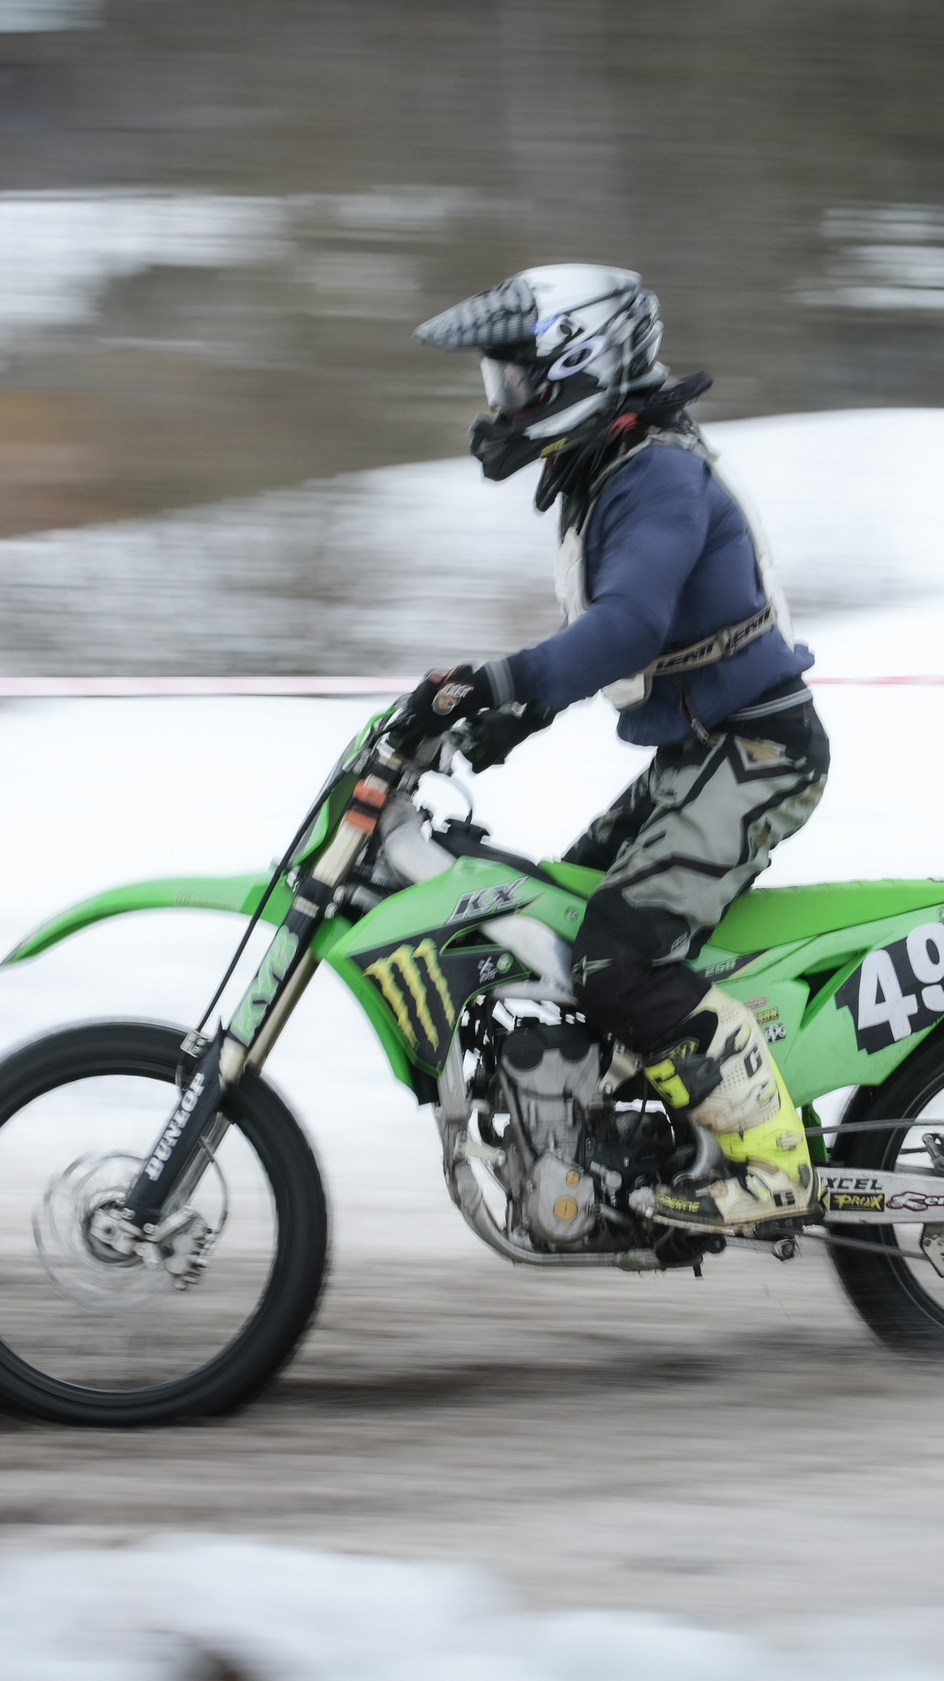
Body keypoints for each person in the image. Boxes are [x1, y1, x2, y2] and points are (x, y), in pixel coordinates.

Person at [401, 264, 830, 1232]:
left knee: (615, 956)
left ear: (575, 366)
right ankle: (618, 1135)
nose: (499, 400)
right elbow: (621, 640)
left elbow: (632, 622)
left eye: (513, 377)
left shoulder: (656, 473)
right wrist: (503, 718)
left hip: (756, 751)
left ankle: (771, 1162)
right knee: (555, 916)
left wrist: (509, 678)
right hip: (700, 753)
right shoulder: (613, 471)